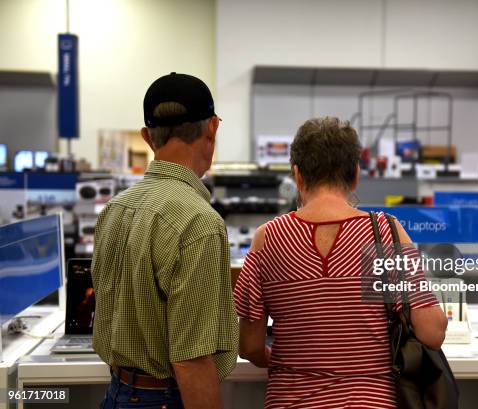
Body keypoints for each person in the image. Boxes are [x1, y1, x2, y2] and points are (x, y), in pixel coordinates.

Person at [234, 117, 448, 408]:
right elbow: (432, 333)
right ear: (355, 175)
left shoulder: (268, 238)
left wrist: (281, 361)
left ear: (297, 176)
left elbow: (249, 346)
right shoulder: (385, 233)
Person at [92, 73, 238, 409]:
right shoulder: (199, 222)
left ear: (147, 136)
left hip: (116, 393)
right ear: (213, 127)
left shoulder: (114, 209)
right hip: (165, 399)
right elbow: (191, 360)